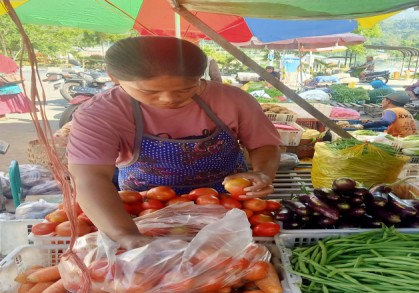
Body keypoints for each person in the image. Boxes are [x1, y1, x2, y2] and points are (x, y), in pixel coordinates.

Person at [67, 36, 282, 249]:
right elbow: (89, 176)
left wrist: (262, 173)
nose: (168, 99)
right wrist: (125, 234)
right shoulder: (100, 113)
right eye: (150, 91)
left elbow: (263, 144)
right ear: (113, 76)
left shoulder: (234, 100)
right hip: (148, 209)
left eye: (185, 89)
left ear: (200, 76)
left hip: (227, 207)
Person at [0, 54, 32, 120]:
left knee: (2, 100)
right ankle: (2, 115)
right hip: (8, 82)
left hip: (3, 82)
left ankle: (2, 114)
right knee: (4, 99)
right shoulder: (5, 58)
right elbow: (15, 67)